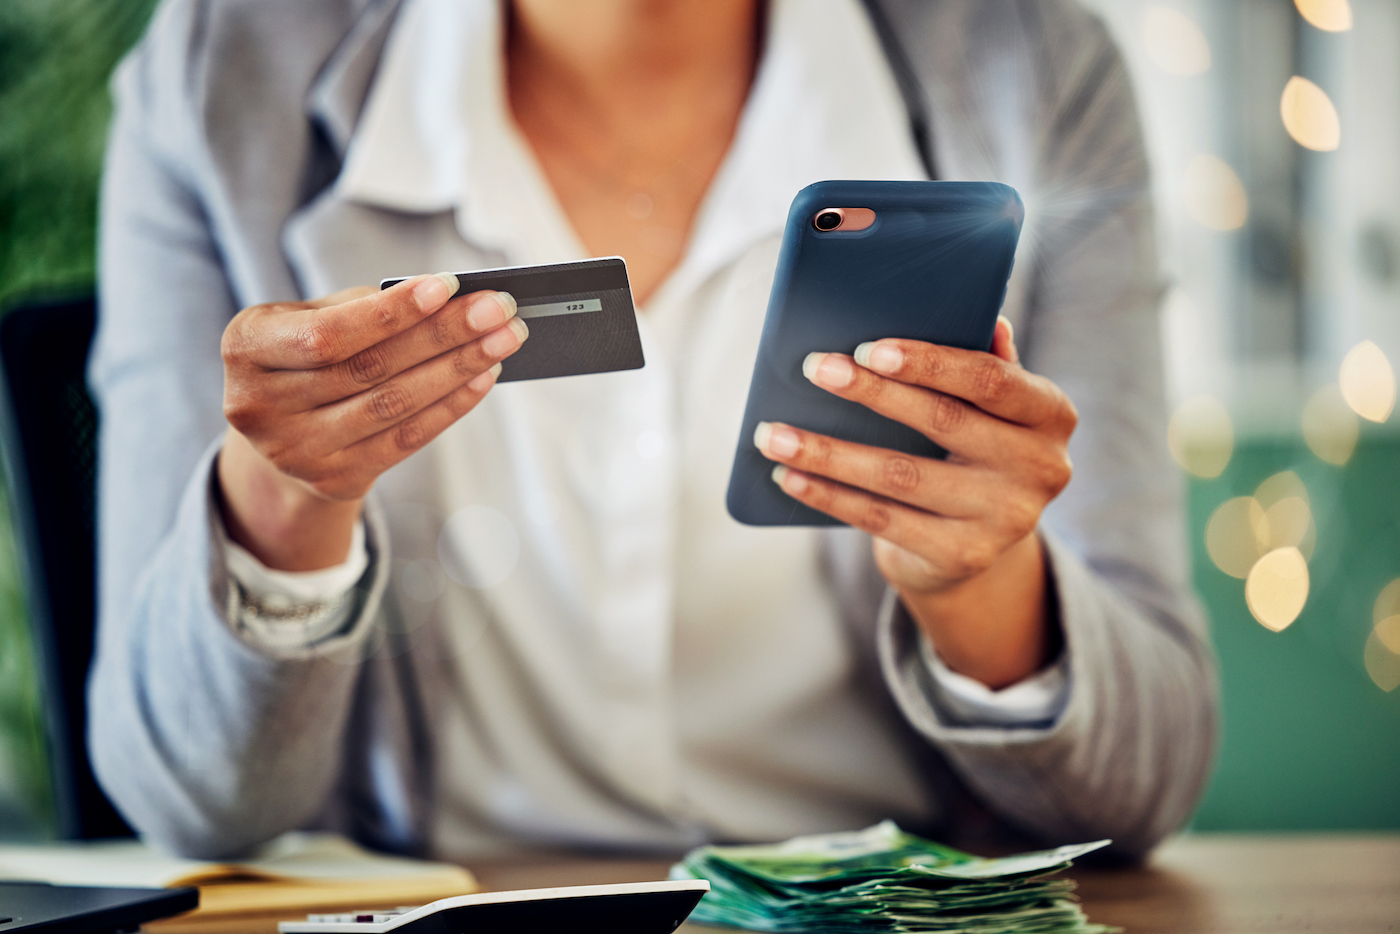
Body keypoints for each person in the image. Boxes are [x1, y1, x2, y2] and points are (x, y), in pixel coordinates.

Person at [89, 0, 1217, 862]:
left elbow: (1144, 785)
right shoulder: (216, 73)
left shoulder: (1034, 69)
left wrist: (980, 583)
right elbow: (188, 796)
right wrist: (285, 501)